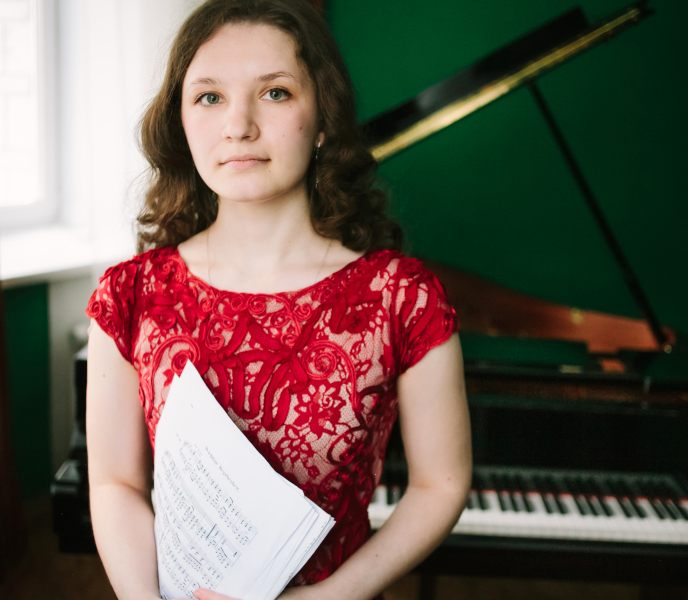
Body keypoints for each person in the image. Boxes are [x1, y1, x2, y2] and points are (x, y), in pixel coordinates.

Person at [85, 0, 472, 599]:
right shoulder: (130, 293)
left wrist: (327, 599)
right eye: (209, 97)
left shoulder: (403, 297)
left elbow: (441, 484)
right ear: (182, 123)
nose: (238, 125)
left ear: (323, 119)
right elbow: (115, 483)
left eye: (275, 93)